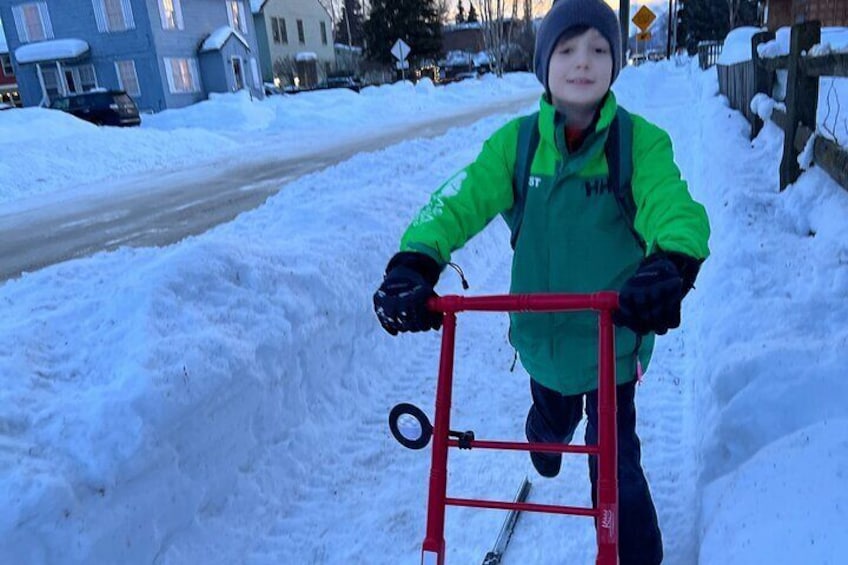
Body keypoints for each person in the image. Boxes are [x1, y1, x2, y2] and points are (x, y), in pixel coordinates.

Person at [372, 0, 711, 563]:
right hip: (541, 344)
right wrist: (416, 260)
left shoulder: (638, 144)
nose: (584, 62)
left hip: (612, 342)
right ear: (544, 65)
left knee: (617, 469)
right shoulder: (519, 143)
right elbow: (459, 198)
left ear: (616, 62)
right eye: (568, 48)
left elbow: (670, 203)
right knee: (551, 425)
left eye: (600, 49)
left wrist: (672, 261)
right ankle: (545, 433)